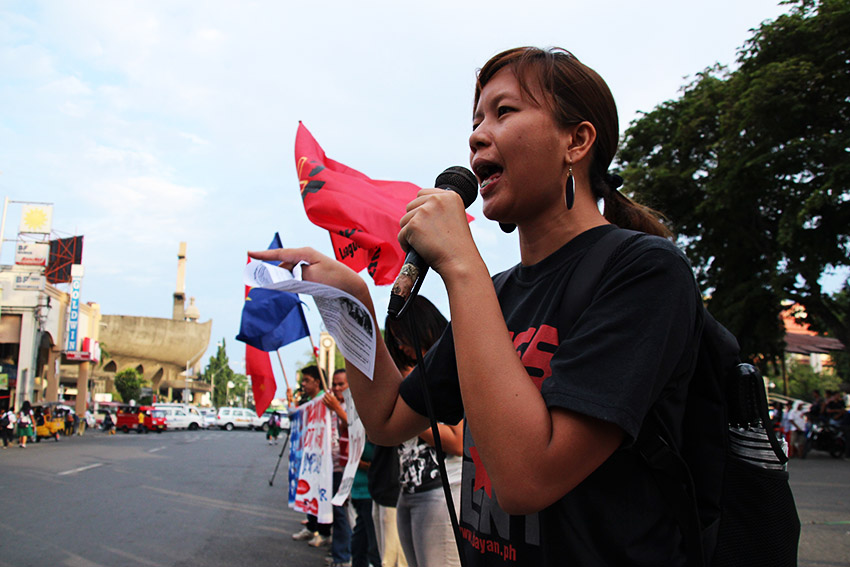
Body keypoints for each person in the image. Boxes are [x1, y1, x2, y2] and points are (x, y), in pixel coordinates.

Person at [253, 46, 702, 565]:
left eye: (504, 111)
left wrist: (461, 267)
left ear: (576, 140)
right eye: (475, 119)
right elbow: (387, 418)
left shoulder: (643, 271)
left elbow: (528, 480)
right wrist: (348, 301)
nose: (476, 135)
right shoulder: (499, 294)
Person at [384, 297, 463, 567]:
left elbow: (458, 442)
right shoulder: (412, 372)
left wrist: (409, 415)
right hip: (409, 490)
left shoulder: (450, 363)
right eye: (396, 340)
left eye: (403, 337)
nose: (403, 348)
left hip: (443, 490)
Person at [291, 366, 334, 548]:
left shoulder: (328, 400)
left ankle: (324, 532)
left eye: (307, 380)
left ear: (318, 382)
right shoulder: (310, 402)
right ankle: (311, 525)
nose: (303, 384)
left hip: (325, 455)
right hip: (310, 454)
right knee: (310, 489)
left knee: (322, 490)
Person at [323, 368, 353, 567]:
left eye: (341, 384)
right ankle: (341, 553)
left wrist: (338, 409)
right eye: (334, 384)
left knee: (347, 515)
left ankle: (344, 556)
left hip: (353, 470)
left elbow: (358, 426)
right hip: (336, 465)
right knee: (340, 512)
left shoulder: (353, 404)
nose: (336, 388)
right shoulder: (332, 405)